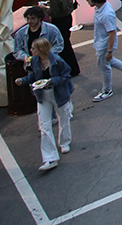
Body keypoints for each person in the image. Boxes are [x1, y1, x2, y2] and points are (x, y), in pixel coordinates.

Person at [15, 37, 74, 172]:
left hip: (58, 93)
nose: (31, 50)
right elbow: (32, 77)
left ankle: (64, 142)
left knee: (63, 118)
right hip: (42, 95)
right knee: (44, 124)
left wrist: (51, 81)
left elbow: (66, 76)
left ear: (41, 49)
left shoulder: (57, 61)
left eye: (33, 48)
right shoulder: (34, 62)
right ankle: (50, 157)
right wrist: (22, 80)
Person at [85, 0, 122, 102]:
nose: (87, 1)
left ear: (96, 0)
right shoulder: (101, 8)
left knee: (104, 66)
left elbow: (112, 33)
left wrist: (109, 50)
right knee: (108, 61)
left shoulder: (106, 14)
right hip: (101, 43)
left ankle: (107, 90)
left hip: (104, 45)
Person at [43, 0, 81, 75]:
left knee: (62, 45)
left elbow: (54, 12)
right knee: (66, 43)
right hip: (68, 18)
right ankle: (73, 68)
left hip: (59, 21)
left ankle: (70, 69)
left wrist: (45, 9)